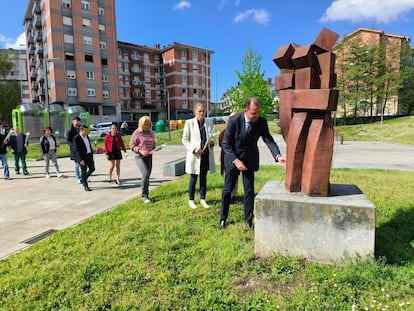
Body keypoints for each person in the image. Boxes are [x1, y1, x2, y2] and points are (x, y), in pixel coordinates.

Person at [219, 98, 286, 230]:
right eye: (253, 113)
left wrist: (277, 156)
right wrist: (236, 161)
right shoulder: (234, 121)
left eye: (258, 113)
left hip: (249, 159)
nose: (256, 116)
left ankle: (248, 220)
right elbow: (225, 144)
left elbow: (269, 140)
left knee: (249, 191)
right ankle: (223, 219)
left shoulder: (261, 122)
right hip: (233, 159)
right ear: (246, 111)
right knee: (227, 190)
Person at [182, 102, 216, 209]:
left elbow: (212, 136)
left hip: (205, 154)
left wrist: (211, 142)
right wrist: (194, 149)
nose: (202, 113)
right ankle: (191, 200)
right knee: (193, 177)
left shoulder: (209, 122)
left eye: (203, 111)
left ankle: (203, 199)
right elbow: (185, 140)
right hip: (195, 155)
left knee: (203, 177)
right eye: (199, 111)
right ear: (195, 112)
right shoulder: (189, 123)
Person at [130, 116, 155, 203]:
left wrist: (155, 148)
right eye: (145, 124)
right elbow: (132, 146)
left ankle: (147, 195)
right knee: (145, 173)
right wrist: (140, 150)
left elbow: (153, 144)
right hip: (140, 156)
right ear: (141, 124)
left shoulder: (151, 133)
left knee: (147, 176)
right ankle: (144, 196)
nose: (147, 126)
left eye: (148, 124)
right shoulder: (137, 133)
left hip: (149, 155)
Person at [218, 111, 238, 200]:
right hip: (227, 157)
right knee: (228, 176)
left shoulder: (239, 131)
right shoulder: (224, 131)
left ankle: (234, 194)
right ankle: (228, 195)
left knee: (236, 176)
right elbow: (220, 143)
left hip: (237, 157)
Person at [73, 125, 95, 191]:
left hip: (89, 155)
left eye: (87, 130)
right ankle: (85, 186)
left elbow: (88, 145)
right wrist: (80, 159)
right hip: (82, 157)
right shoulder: (76, 138)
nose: (87, 132)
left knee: (92, 168)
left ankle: (83, 179)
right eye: (85, 131)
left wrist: (92, 150)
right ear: (81, 130)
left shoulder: (87, 137)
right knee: (83, 170)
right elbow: (76, 150)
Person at [66, 116, 82, 183]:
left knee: (83, 164)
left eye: (78, 120)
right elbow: (68, 140)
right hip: (75, 150)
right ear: (73, 121)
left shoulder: (81, 129)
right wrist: (73, 146)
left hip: (82, 149)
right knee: (77, 164)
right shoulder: (70, 130)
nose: (77, 122)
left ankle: (83, 176)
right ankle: (78, 177)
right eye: (75, 120)